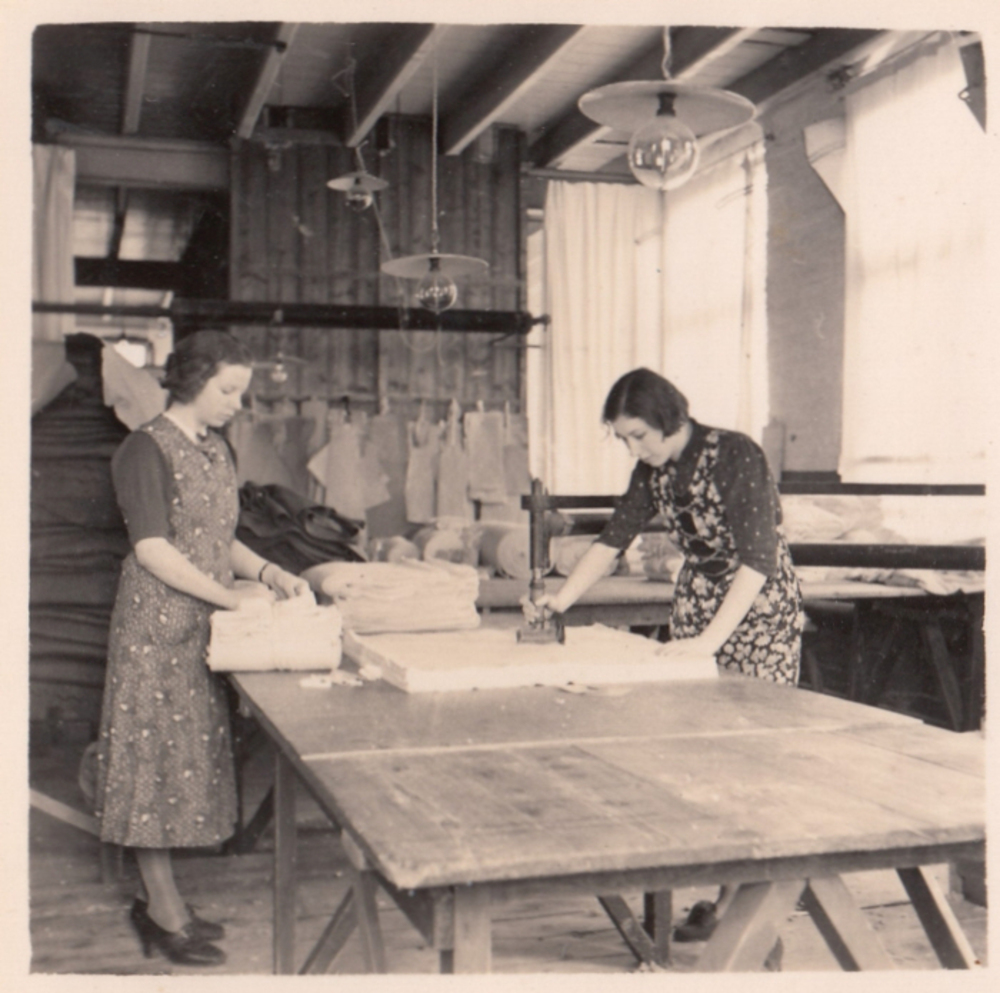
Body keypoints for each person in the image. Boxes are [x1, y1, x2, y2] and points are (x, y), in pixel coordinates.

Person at [523, 367, 803, 943]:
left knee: (755, 757)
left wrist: (708, 643)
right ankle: (723, 893)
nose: (632, 449)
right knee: (705, 752)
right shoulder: (654, 470)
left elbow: (758, 560)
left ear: (669, 419)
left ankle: (750, 909)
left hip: (757, 609)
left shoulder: (735, 455)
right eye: (622, 438)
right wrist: (559, 601)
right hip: (700, 602)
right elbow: (614, 538)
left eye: (638, 436)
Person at [93, 330, 314, 966]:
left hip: (200, 627)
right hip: (154, 628)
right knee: (151, 763)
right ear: (192, 382)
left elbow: (221, 537)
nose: (237, 404)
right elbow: (152, 549)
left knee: (183, 757)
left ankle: (162, 902)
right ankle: (164, 911)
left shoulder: (217, 448)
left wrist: (270, 573)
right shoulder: (144, 449)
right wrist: (228, 597)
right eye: (228, 390)